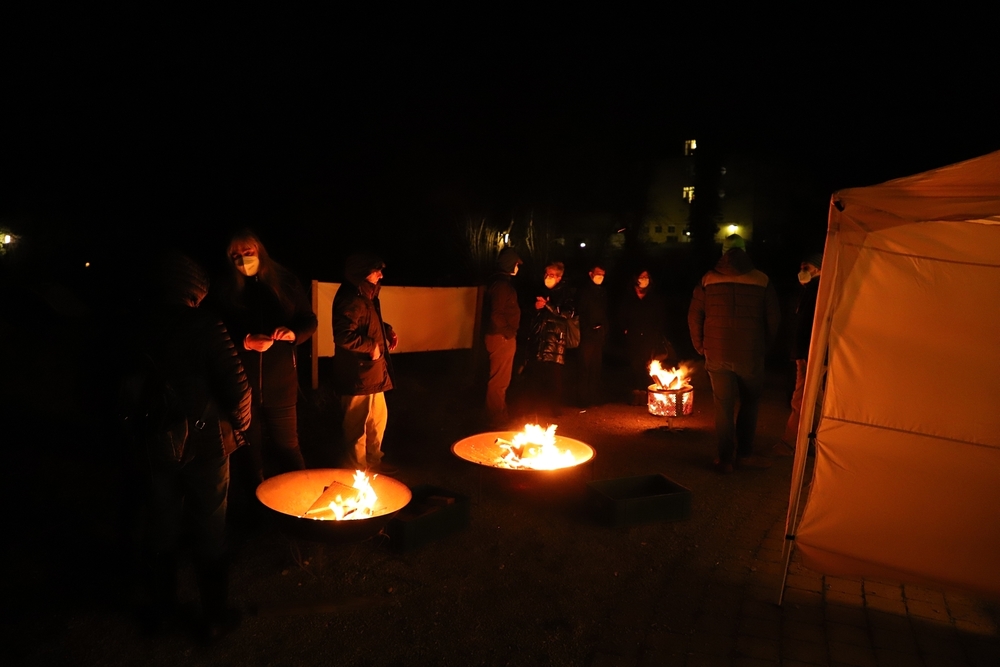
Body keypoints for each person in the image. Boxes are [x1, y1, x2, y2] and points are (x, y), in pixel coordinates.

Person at [122, 252, 252, 641]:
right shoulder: (204, 323)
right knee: (209, 525)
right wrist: (239, 428)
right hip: (207, 443)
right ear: (194, 290)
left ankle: (163, 613)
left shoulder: (134, 325)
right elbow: (237, 388)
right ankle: (214, 617)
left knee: (160, 524)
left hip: (153, 441)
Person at [215, 230, 317, 485]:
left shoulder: (286, 283)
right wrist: (245, 341)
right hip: (242, 387)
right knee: (250, 453)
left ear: (259, 251)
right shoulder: (226, 289)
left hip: (281, 385)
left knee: (288, 448)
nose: (243, 259)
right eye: (236, 255)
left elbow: (308, 320)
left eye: (247, 252)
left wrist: (293, 333)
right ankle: (256, 500)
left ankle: (299, 496)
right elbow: (215, 331)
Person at [688, 234, 780, 473]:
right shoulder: (761, 280)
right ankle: (745, 454)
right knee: (750, 403)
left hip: (716, 354)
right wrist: (764, 347)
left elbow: (694, 315)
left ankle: (725, 459)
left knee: (723, 407)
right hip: (750, 355)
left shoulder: (708, 279)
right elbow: (773, 319)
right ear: (744, 250)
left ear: (723, 251)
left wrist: (700, 346)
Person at [333, 253, 398, 472]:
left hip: (372, 371)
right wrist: (372, 346)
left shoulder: (367, 295)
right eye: (376, 270)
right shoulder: (350, 297)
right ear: (362, 272)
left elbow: (367, 322)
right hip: (356, 373)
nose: (381, 275)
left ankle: (374, 463)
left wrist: (386, 330)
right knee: (356, 427)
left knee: (377, 420)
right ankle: (357, 471)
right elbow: (343, 335)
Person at [779, 252, 823, 454]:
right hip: (807, 352)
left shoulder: (817, 291)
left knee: (801, 398)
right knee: (814, 399)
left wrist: (805, 354)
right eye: (801, 267)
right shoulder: (809, 291)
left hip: (809, 353)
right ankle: (813, 440)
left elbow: (810, 326)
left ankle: (791, 442)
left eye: (807, 268)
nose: (802, 271)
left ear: (819, 269)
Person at [525, 261, 575, 418]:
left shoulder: (566, 293)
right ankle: (533, 408)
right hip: (539, 339)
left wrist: (548, 305)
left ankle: (555, 409)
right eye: (547, 274)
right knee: (535, 376)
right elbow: (528, 312)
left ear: (559, 277)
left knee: (555, 378)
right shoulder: (538, 290)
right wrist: (535, 307)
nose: (548, 277)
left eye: (552, 275)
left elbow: (568, 313)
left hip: (555, 341)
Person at [482, 247, 522, 426]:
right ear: (509, 264)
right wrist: (508, 332)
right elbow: (496, 314)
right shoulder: (502, 286)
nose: (517, 268)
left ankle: (497, 413)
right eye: (516, 264)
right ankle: (496, 417)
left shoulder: (498, 283)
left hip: (500, 336)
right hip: (501, 337)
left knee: (500, 379)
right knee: (500, 380)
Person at [619, 268, 668, 402]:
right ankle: (636, 392)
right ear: (636, 278)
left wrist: (656, 333)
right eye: (642, 276)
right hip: (633, 336)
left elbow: (660, 317)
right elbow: (622, 315)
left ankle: (648, 393)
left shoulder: (653, 297)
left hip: (649, 337)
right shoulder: (629, 297)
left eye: (647, 277)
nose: (644, 279)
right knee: (635, 364)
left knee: (648, 364)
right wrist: (625, 329)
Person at [576, 264, 609, 407]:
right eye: (598, 273)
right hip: (586, 335)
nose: (600, 277)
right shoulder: (584, 292)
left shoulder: (602, 292)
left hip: (598, 335)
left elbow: (605, 312)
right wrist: (588, 327)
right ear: (590, 274)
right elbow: (580, 313)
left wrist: (604, 329)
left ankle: (593, 396)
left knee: (596, 368)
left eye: (602, 274)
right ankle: (583, 399)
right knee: (584, 367)